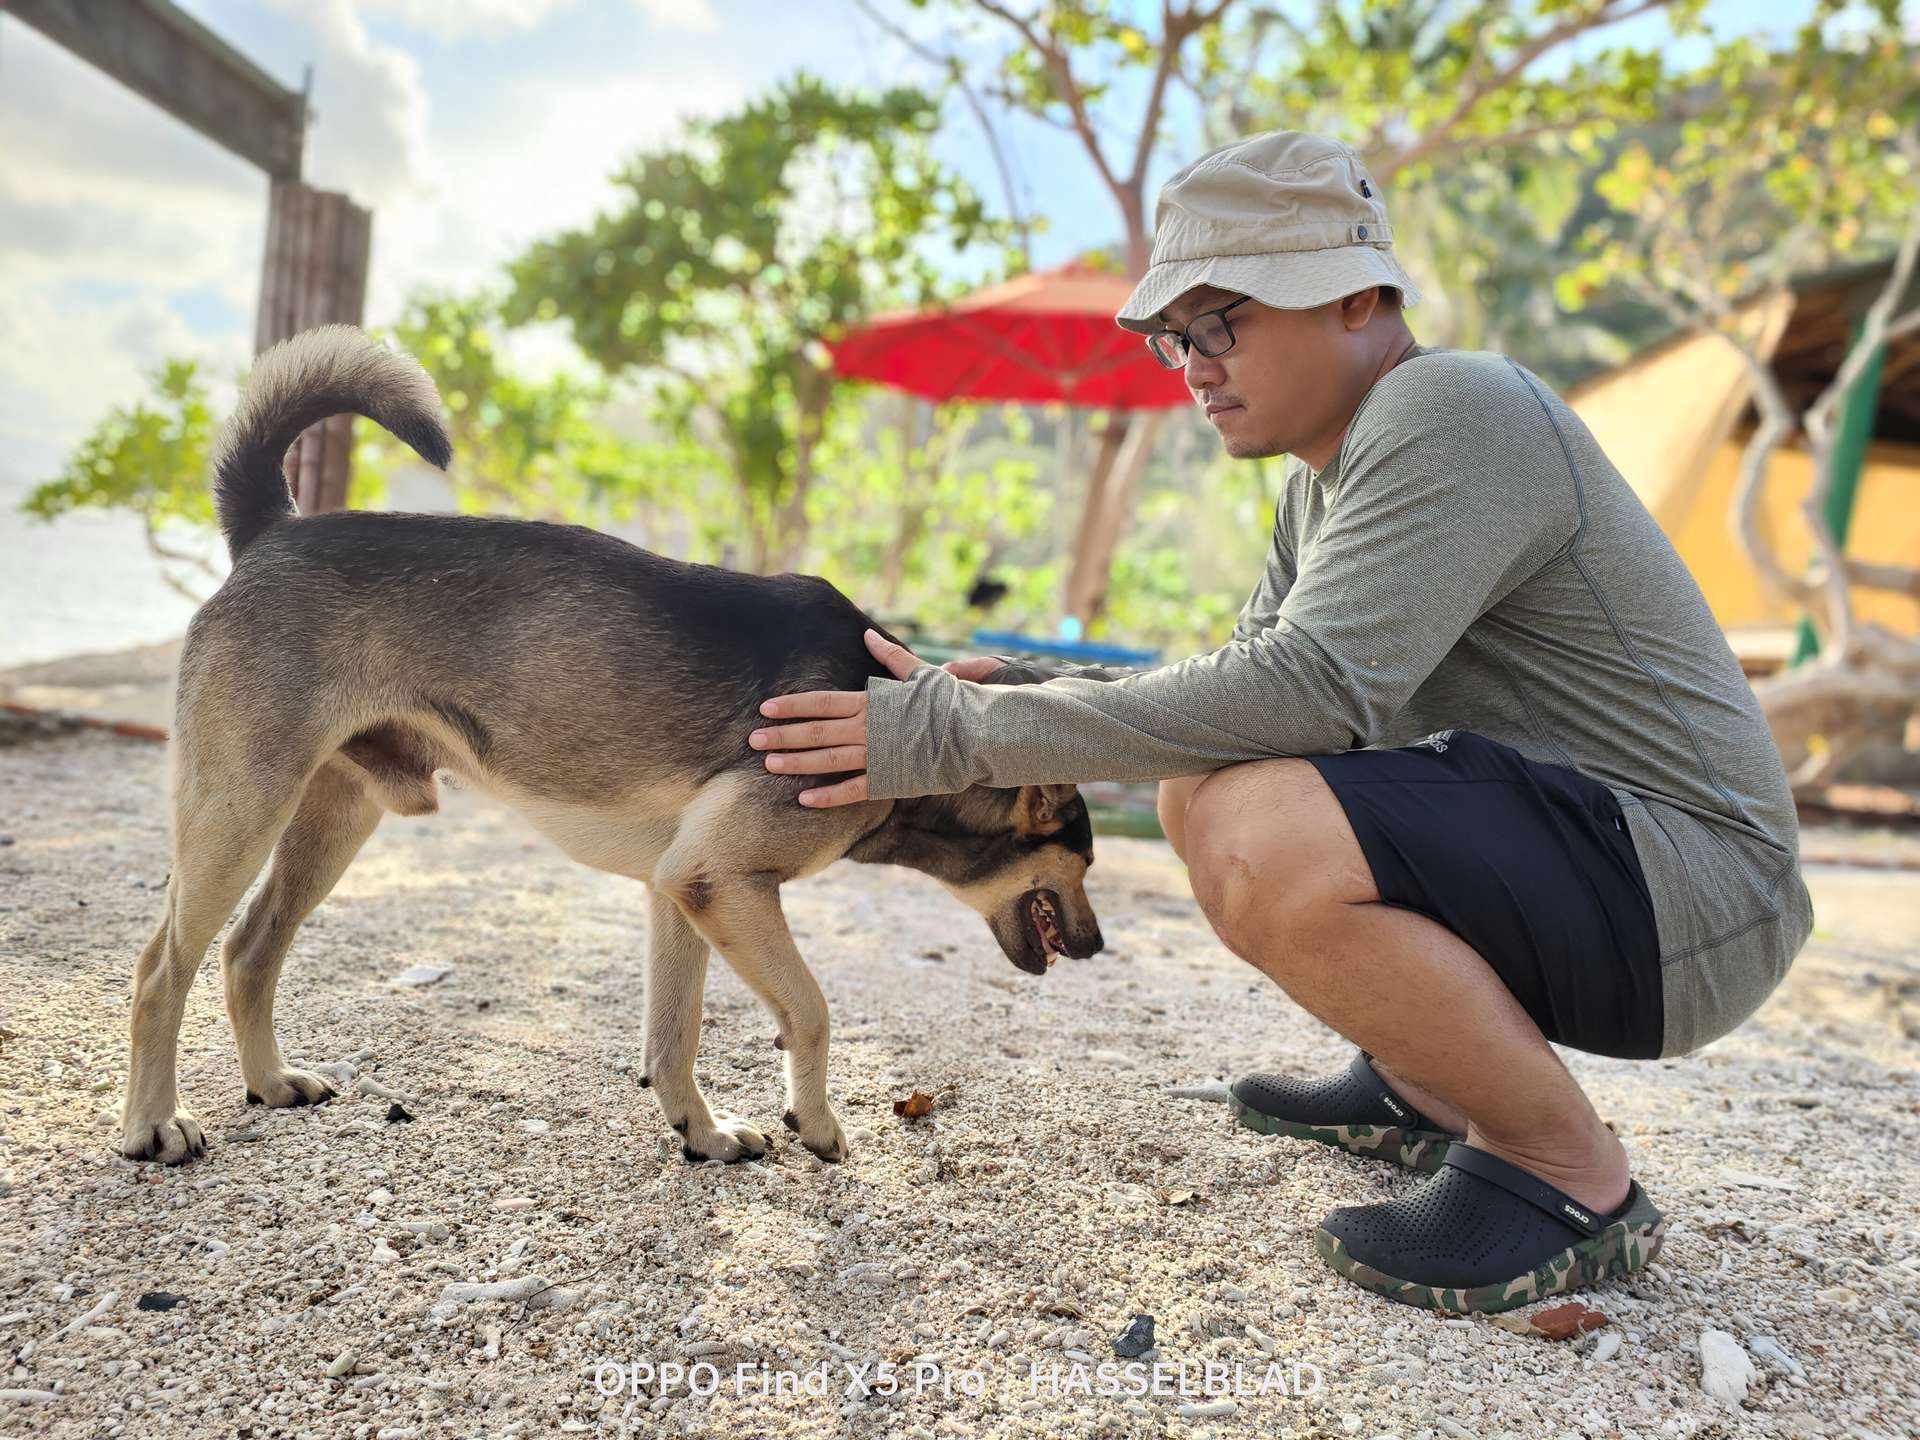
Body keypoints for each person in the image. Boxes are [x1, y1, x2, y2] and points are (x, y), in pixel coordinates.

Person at [745, 130, 1812, 1314]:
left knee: (1258, 822)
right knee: (1202, 785)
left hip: (1697, 894)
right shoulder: (1329, 477)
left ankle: (1566, 1175)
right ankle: (1434, 1085)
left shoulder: (1458, 408)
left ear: (1356, 295)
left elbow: (1307, 695)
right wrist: (1020, 683)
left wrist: (947, 738)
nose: (1192, 368)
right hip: (1600, 861)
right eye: (1173, 338)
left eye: (1221, 325)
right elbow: (1250, 681)